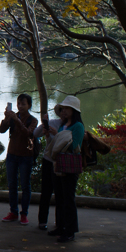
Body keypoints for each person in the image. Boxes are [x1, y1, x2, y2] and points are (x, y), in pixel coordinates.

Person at [39, 95, 84, 243]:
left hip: (69, 165)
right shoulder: (62, 125)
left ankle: (70, 231)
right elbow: (56, 145)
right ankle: (60, 226)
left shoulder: (78, 126)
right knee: (59, 197)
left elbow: (73, 145)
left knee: (68, 198)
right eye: (62, 109)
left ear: (74, 111)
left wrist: (57, 135)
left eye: (67, 109)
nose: (64, 111)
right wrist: (49, 135)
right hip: (57, 163)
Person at [0, 93, 39, 225]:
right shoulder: (13, 117)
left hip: (25, 156)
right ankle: (13, 212)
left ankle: (24, 214)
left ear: (29, 106)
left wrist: (16, 120)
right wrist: (6, 118)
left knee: (25, 185)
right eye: (19, 104)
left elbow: (28, 133)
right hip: (12, 155)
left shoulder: (33, 120)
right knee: (12, 185)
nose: (20, 106)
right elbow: (1, 130)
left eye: (23, 104)